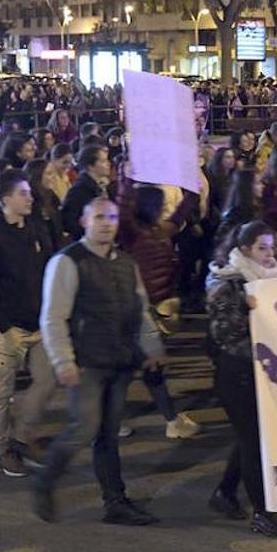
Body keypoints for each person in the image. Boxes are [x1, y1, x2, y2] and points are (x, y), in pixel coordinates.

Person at [33, 196, 168, 526]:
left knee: (108, 435)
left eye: (111, 217)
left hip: (120, 360)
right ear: (84, 222)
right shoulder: (67, 262)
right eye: (99, 217)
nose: (106, 223)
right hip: (88, 363)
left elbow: (140, 308)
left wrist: (151, 348)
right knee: (84, 429)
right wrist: (63, 361)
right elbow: (53, 317)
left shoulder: (125, 262)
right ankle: (46, 481)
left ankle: (115, 501)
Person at [205, 221, 277, 537]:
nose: (269, 255)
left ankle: (225, 493)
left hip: (263, 371)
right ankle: (263, 512)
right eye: (262, 248)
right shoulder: (224, 282)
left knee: (250, 438)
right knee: (256, 442)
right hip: (237, 373)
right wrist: (246, 309)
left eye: (271, 247)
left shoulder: (271, 279)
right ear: (245, 251)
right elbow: (223, 334)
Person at [0, 170, 57, 477]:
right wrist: (2, 328)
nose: (30, 197)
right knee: (2, 390)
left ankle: (22, 437)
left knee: (47, 379)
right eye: (23, 193)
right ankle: (2, 448)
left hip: (39, 323)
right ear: (6, 199)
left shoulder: (36, 228)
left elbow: (50, 267)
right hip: (9, 328)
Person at [119, 185, 200, 439]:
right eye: (160, 204)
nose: (165, 209)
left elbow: (180, 215)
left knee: (138, 367)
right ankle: (170, 420)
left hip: (155, 310)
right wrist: (126, 174)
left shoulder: (158, 230)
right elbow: (122, 209)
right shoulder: (132, 232)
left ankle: (115, 419)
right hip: (137, 309)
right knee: (146, 367)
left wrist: (192, 189)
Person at [61, 145, 111, 241]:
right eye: (103, 161)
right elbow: (69, 221)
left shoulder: (101, 186)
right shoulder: (79, 190)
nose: (108, 164)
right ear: (90, 166)